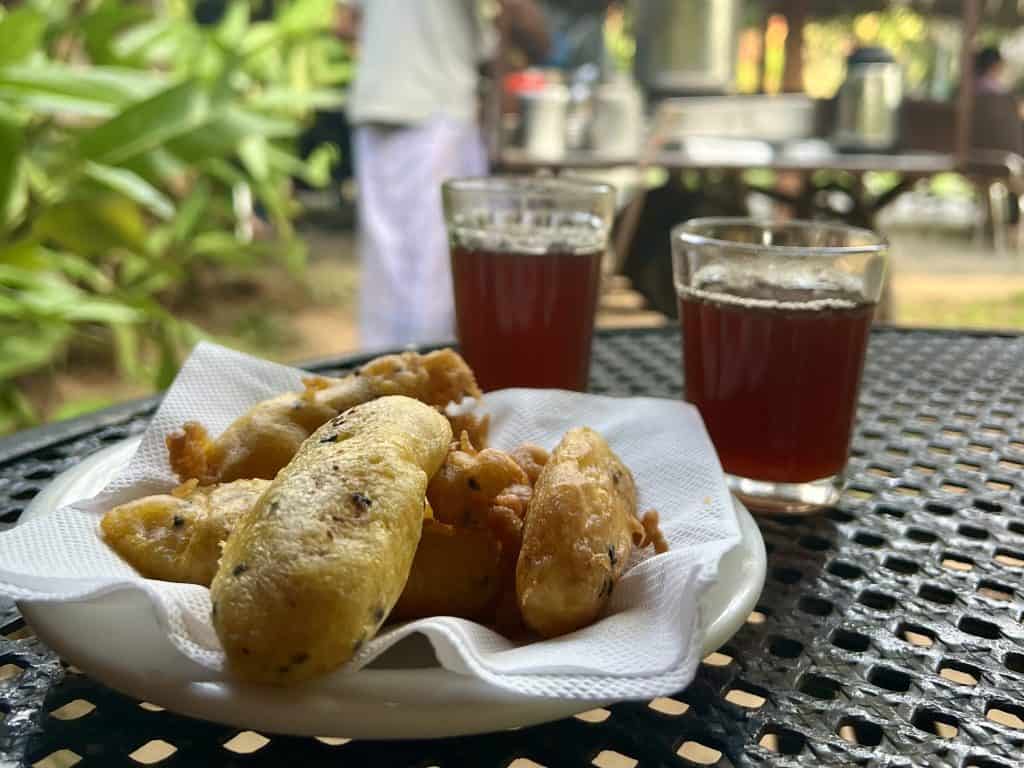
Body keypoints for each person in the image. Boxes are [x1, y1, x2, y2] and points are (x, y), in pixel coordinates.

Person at [341, 0, 549, 351]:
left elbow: (344, 24)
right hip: (437, 106)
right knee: (437, 262)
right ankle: (430, 367)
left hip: (377, 99)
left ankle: (381, 366)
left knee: (385, 262)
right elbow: (528, 25)